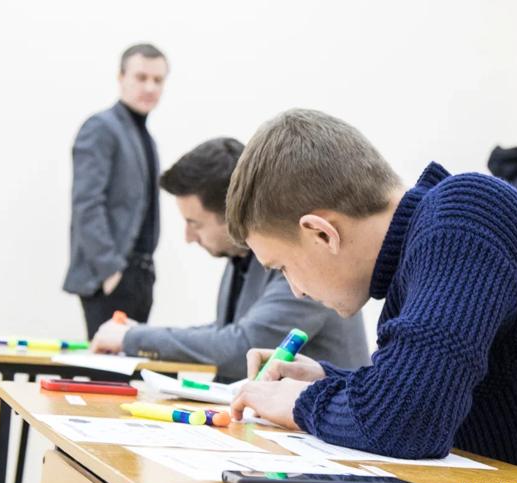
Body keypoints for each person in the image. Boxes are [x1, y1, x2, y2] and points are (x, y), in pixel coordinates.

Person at [226, 109, 517, 483]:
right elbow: (423, 394)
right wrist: (325, 379)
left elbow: (408, 420)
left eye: (283, 267)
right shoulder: (431, 238)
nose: (296, 290)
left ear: (322, 233)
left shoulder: (464, 219)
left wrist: (301, 402)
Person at [90, 137, 370, 382]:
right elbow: (226, 331)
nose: (188, 237)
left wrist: (132, 338)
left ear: (231, 214)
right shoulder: (239, 257)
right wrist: (141, 334)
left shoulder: (299, 260)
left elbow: (243, 346)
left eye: (194, 223)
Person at [63, 43, 169, 338]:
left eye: (158, 80)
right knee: (108, 365)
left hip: (139, 276)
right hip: (111, 276)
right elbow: (86, 203)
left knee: (131, 363)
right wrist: (110, 270)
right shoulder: (102, 128)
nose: (150, 87)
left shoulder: (143, 136)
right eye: (141, 77)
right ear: (121, 77)